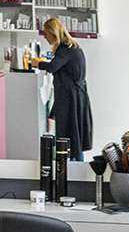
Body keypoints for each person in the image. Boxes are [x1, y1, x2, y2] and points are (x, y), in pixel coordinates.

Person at [30, 17, 93, 160]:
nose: (45, 37)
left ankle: (73, 168)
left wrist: (37, 63)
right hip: (75, 96)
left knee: (71, 138)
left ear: (53, 33)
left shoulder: (65, 49)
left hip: (72, 99)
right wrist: (53, 112)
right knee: (74, 137)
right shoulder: (71, 47)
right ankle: (73, 166)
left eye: (46, 33)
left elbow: (53, 67)